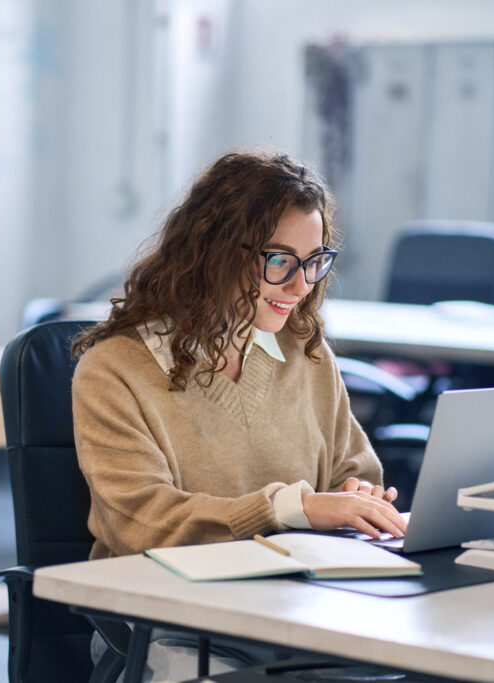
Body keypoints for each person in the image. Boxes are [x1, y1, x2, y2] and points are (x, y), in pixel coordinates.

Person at [70, 149, 407, 680]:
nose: (302, 287)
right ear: (215, 251)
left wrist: (355, 499)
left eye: (315, 261)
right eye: (280, 261)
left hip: (297, 608)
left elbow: (354, 471)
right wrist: (292, 507)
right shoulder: (115, 370)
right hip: (170, 622)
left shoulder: (306, 351)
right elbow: (143, 524)